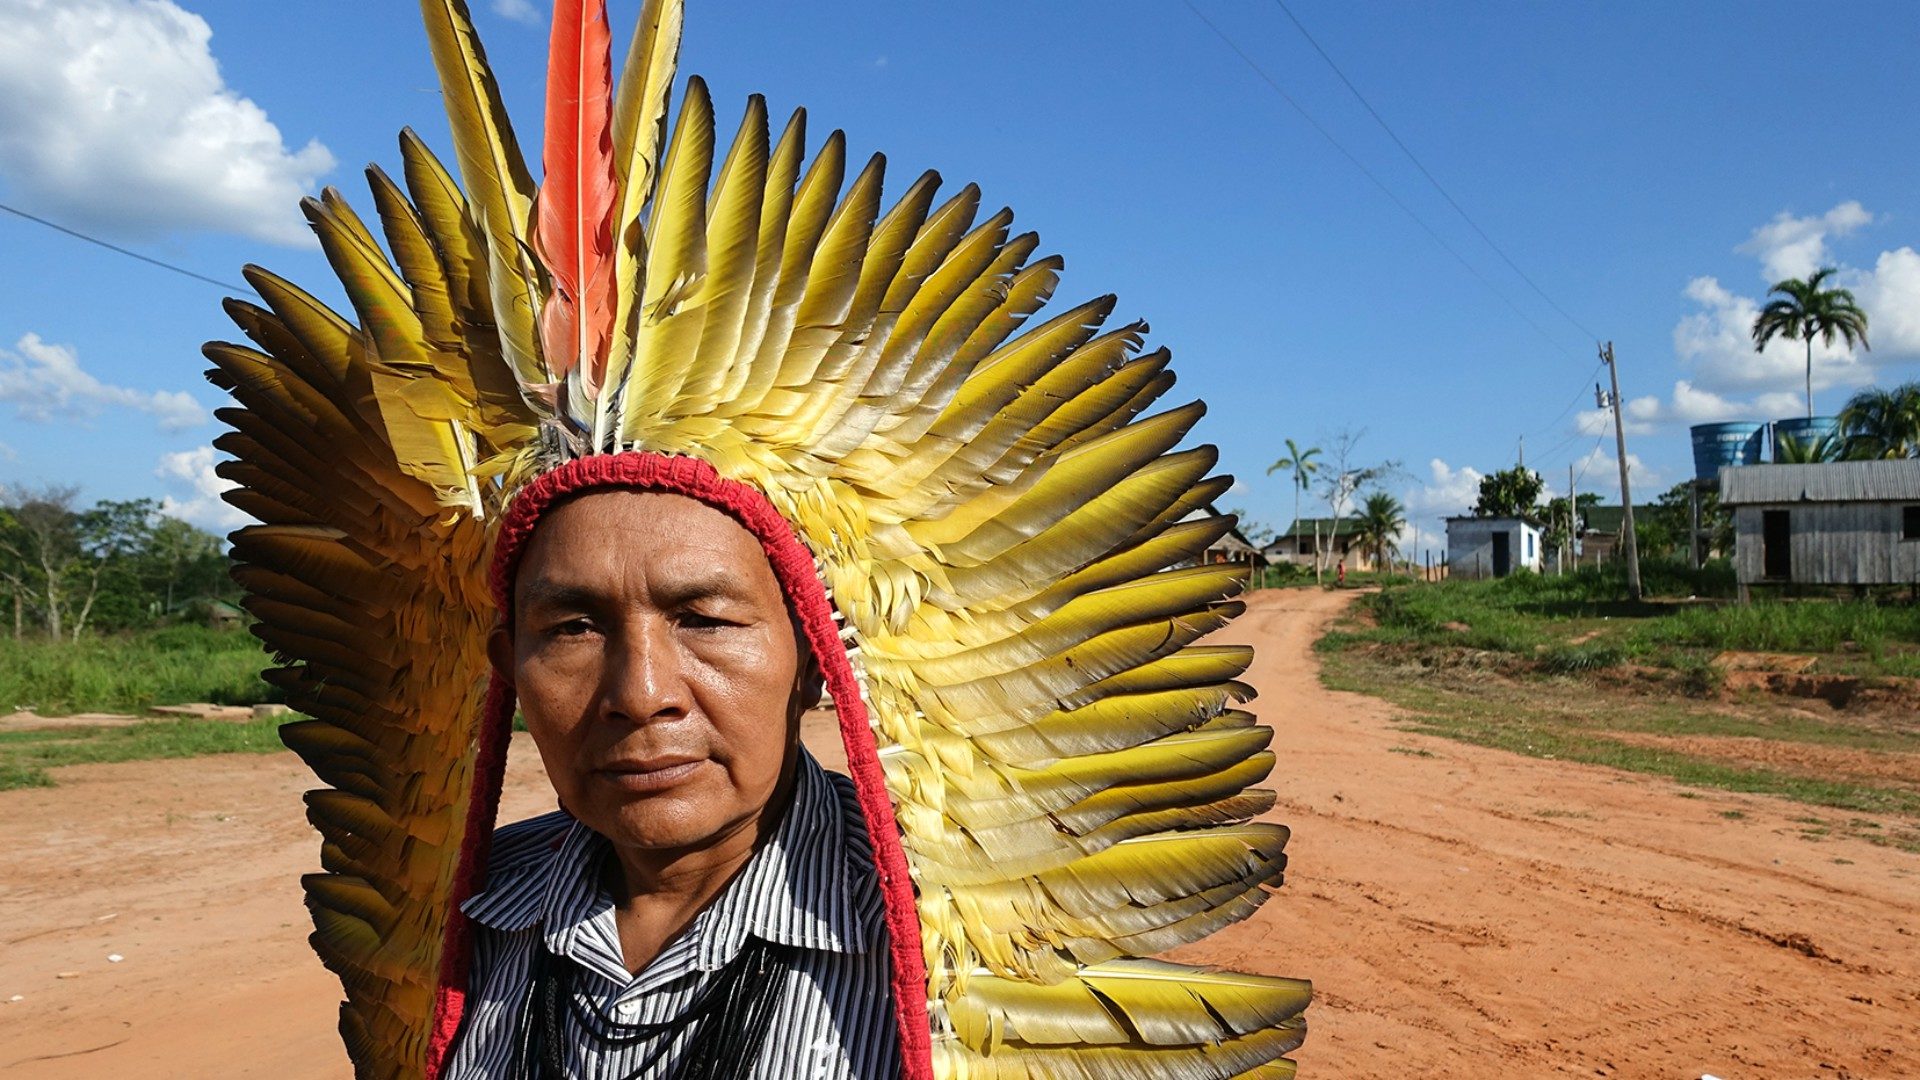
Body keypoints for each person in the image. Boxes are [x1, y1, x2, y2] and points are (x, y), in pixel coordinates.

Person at [210, 1, 1311, 1076]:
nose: (642, 693)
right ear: (508, 665)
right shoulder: (473, 930)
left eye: (706, 617)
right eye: (573, 627)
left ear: (815, 660)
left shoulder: (939, 966)